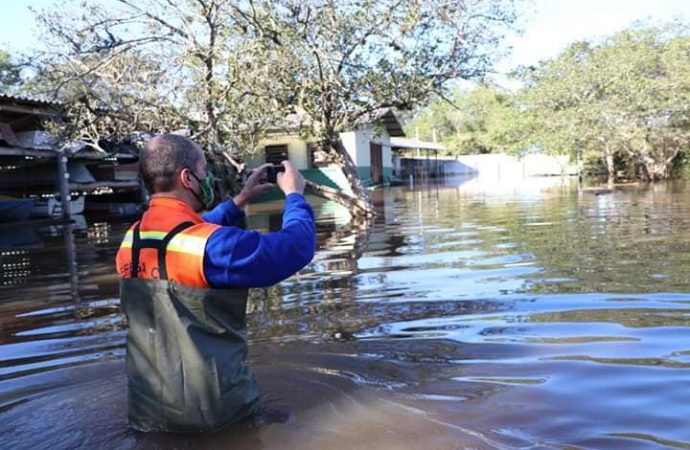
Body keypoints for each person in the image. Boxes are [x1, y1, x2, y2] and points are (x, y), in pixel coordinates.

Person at [115, 133, 315, 432]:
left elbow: (189, 232)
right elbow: (295, 247)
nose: (207, 178)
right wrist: (295, 196)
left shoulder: (132, 239)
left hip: (147, 414)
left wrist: (241, 200)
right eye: (204, 171)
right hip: (219, 417)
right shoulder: (213, 247)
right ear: (188, 178)